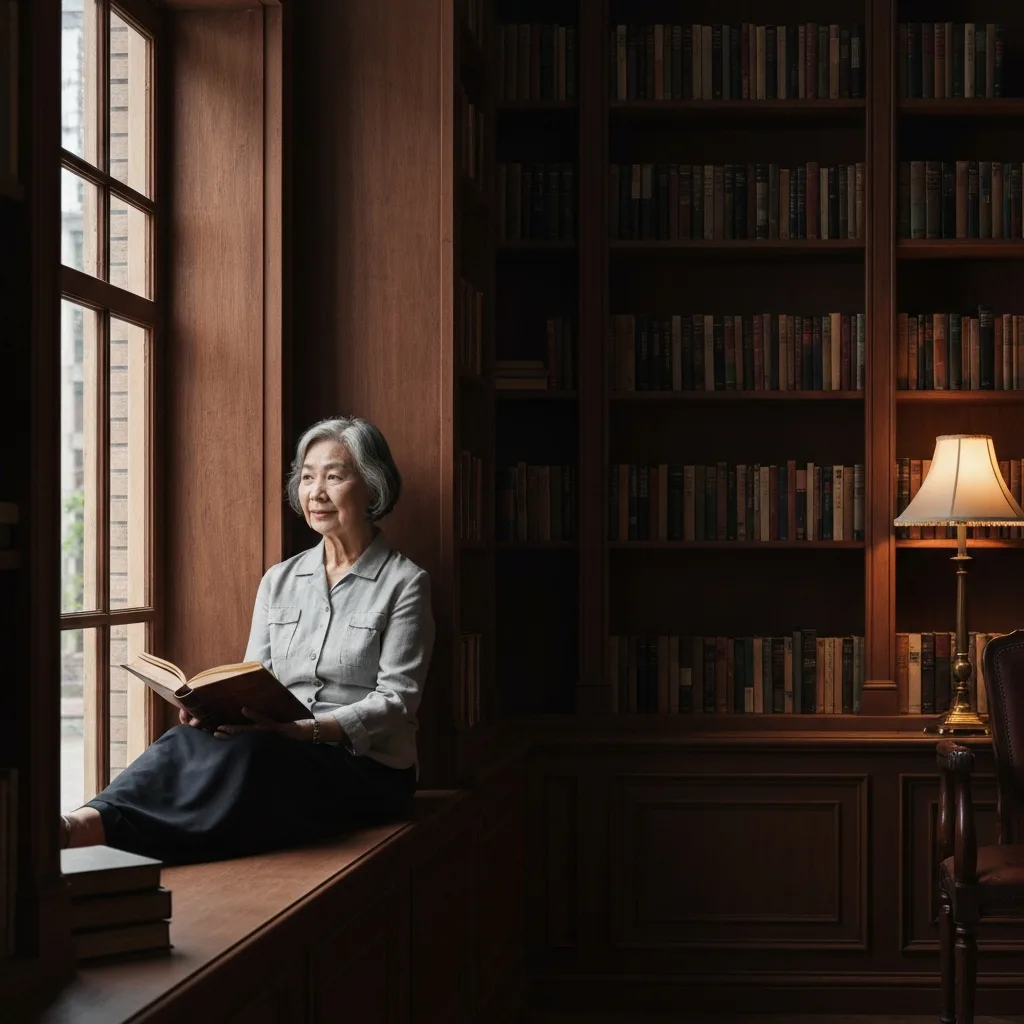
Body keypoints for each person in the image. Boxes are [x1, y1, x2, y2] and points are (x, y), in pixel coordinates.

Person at [59, 416, 435, 864]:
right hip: (278, 747)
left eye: (334, 477)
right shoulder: (280, 580)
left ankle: (92, 838)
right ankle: (79, 823)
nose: (316, 492)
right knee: (183, 742)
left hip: (367, 769)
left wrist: (305, 732)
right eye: (307, 477)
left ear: (373, 487)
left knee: (256, 757)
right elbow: (254, 677)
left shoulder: (405, 583)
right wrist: (214, 709)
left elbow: (397, 701)